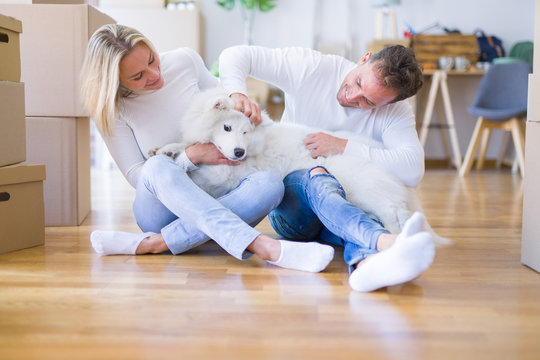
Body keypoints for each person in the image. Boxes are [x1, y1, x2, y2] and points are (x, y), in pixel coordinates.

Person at [79, 24, 335, 273]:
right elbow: (138, 175)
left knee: (270, 184)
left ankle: (154, 244)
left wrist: (241, 102)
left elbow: (228, 106)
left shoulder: (184, 61)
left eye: (151, 59)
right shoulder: (112, 108)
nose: (154, 74)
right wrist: (192, 156)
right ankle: (262, 246)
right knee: (156, 164)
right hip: (163, 211)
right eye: (138, 76)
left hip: (221, 194)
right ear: (116, 82)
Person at [218, 45, 435, 292]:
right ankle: (386, 242)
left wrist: (343, 146)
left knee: (362, 212)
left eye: (368, 101)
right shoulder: (312, 68)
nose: (352, 96)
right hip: (294, 212)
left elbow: (412, 170)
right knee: (319, 177)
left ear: (388, 103)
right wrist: (236, 93)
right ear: (363, 59)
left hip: (340, 215)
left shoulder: (395, 112)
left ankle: (367, 264)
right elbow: (234, 55)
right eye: (358, 82)